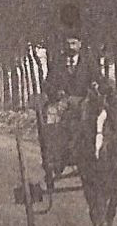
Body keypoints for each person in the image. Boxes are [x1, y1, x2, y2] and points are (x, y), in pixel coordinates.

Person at [41, 36, 105, 174]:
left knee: (94, 117)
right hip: (63, 101)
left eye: (74, 43)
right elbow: (47, 84)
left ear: (80, 44)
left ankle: (94, 148)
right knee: (52, 115)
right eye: (68, 43)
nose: (71, 47)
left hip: (84, 100)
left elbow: (98, 78)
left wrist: (96, 85)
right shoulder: (57, 62)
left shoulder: (88, 60)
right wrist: (56, 93)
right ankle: (55, 154)